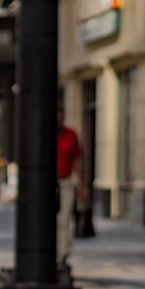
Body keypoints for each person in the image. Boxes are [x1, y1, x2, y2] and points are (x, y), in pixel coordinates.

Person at [56, 107, 88, 268]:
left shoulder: (71, 135)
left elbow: (77, 161)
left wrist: (82, 186)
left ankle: (62, 254)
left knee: (64, 218)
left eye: (62, 117)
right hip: (48, 184)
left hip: (66, 182)